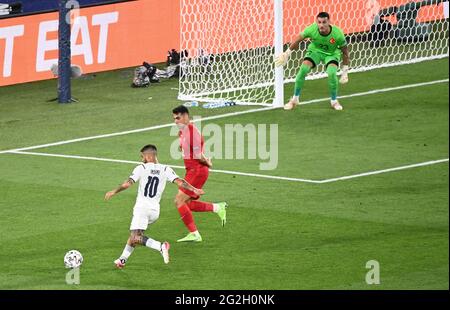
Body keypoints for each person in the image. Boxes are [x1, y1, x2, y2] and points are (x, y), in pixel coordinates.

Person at [105, 144, 204, 268]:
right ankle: (122, 259)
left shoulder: (141, 168)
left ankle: (161, 246)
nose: (142, 160)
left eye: (142, 157)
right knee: (136, 234)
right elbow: (180, 182)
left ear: (148, 156)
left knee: (135, 236)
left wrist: (113, 191)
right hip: (155, 211)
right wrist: (194, 189)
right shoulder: (165, 169)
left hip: (142, 208)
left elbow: (127, 184)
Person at [172, 105, 227, 242]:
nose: (175, 121)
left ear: (186, 117)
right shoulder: (182, 131)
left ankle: (195, 234)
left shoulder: (192, 132)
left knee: (179, 201)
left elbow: (198, 155)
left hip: (197, 171)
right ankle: (217, 207)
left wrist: (208, 163)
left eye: (178, 118)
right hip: (191, 170)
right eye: (174, 118)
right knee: (187, 203)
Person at [275, 12, 350, 111]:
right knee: (303, 69)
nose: (321, 25)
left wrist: (345, 71)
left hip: (331, 54)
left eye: (324, 22)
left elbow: (345, 52)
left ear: (329, 22)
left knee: (332, 73)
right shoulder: (312, 29)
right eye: (319, 22)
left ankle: (334, 101)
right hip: (315, 51)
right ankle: (294, 99)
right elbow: (298, 39)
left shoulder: (338, 34)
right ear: (316, 22)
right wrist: (287, 53)